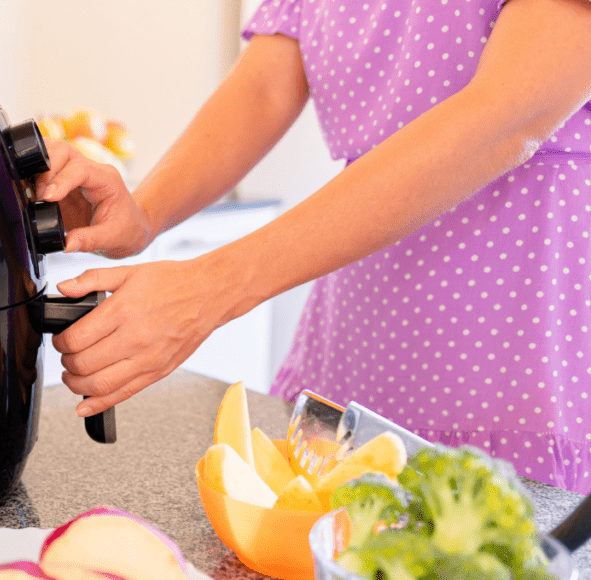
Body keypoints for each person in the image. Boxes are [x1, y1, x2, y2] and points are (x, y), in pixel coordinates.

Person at [34, 0, 591, 494]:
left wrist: (210, 288)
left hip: (519, 346)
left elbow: (507, 114)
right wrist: (143, 214)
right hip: (359, 336)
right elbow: (265, 86)